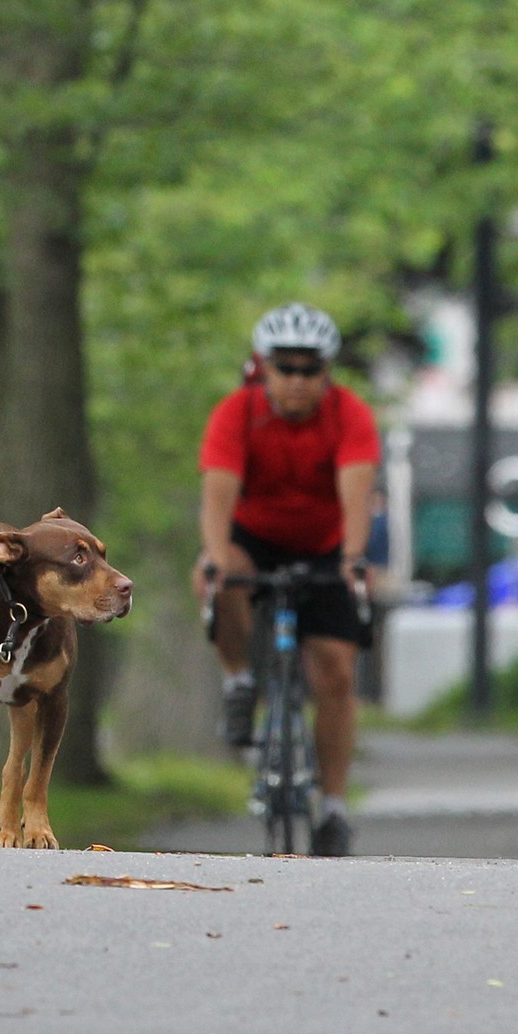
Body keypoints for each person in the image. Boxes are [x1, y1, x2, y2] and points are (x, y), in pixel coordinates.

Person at [191, 303, 379, 857]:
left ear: (327, 372)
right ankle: (238, 681)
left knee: (336, 674)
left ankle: (335, 808)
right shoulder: (236, 413)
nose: (297, 381)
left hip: (326, 547)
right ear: (262, 367)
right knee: (218, 574)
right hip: (255, 541)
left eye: (309, 369)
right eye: (285, 368)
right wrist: (216, 554)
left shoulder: (350, 415)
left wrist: (353, 556)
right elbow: (217, 494)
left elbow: (357, 489)